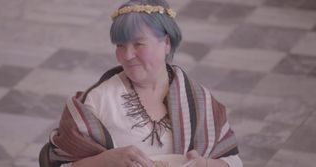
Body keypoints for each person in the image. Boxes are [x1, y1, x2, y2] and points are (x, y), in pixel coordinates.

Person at [39, 0, 242, 166]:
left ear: (167, 43)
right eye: (120, 45)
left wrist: (204, 164)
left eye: (138, 44)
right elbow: (57, 162)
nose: (127, 55)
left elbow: (233, 161)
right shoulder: (97, 100)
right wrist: (104, 161)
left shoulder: (198, 101)